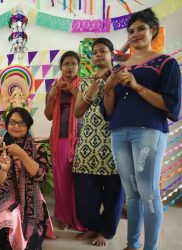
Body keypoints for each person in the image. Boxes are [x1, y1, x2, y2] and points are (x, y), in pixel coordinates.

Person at [103, 9, 181, 250]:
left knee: (148, 191)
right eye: (131, 30)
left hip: (148, 132)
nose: (135, 34)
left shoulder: (165, 62)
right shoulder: (120, 67)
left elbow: (171, 105)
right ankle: (133, 244)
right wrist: (108, 87)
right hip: (119, 132)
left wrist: (136, 86)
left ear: (153, 31)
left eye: (141, 29)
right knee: (132, 192)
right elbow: (109, 110)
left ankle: (151, 247)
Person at [73, 38, 125, 247]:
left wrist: (110, 82)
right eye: (94, 52)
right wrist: (95, 84)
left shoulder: (122, 78)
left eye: (102, 51)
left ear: (112, 53)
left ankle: (106, 231)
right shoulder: (85, 81)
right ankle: (92, 226)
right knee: (86, 193)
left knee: (113, 194)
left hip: (113, 145)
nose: (98, 55)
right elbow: (77, 112)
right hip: (87, 146)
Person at [0, 107, 55, 250]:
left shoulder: (38, 148)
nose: (16, 126)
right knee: (10, 215)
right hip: (4, 195)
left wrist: (22, 154)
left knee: (30, 241)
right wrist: (3, 170)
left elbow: (41, 176)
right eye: (12, 122)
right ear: (6, 124)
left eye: (21, 123)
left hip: (31, 197)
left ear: (28, 126)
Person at [44, 51, 84, 231]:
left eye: (73, 64)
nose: (69, 67)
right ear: (61, 67)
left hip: (82, 139)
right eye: (66, 64)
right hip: (60, 139)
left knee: (79, 180)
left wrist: (72, 88)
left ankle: (80, 216)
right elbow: (47, 115)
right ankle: (63, 216)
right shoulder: (55, 87)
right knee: (61, 179)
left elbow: (85, 107)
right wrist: (52, 94)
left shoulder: (84, 85)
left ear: (78, 66)